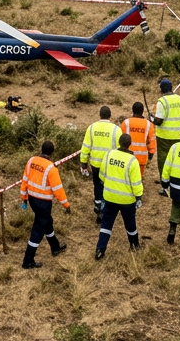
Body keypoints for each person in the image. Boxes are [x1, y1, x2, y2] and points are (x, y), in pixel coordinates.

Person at [20, 140, 70, 268]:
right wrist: (66, 205)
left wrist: (24, 197)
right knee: (37, 231)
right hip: (44, 203)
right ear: (52, 152)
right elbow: (58, 189)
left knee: (47, 222)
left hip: (32, 200)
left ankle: (55, 247)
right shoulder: (51, 168)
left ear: (41, 149)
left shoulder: (31, 161)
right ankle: (28, 260)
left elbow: (24, 180)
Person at [95, 134, 144, 259]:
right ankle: (135, 245)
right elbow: (136, 183)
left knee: (106, 224)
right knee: (130, 224)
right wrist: (139, 197)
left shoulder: (109, 155)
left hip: (109, 197)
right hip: (127, 200)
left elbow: (101, 175)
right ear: (130, 144)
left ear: (118, 142)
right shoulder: (132, 161)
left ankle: (100, 249)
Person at [78, 106, 121, 220]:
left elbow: (85, 147)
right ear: (110, 116)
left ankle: (98, 205)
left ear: (100, 115)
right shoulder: (116, 130)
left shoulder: (91, 128)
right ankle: (106, 208)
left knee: (97, 185)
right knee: (108, 186)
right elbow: (120, 149)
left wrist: (83, 162)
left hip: (95, 164)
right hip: (110, 165)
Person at [151, 78, 180, 195]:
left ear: (161, 89)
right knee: (174, 159)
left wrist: (152, 119)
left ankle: (165, 185)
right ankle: (173, 180)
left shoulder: (161, 102)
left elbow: (159, 121)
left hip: (163, 136)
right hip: (177, 135)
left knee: (163, 160)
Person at [123, 101, 156, 183]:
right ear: (142, 111)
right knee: (138, 179)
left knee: (127, 177)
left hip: (127, 156)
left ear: (132, 110)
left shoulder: (126, 123)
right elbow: (152, 140)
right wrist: (151, 154)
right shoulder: (149, 125)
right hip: (142, 158)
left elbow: (120, 139)